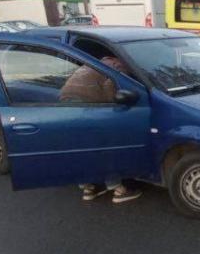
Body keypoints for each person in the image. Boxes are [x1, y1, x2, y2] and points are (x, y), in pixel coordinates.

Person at [59, 56, 142, 204]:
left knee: (84, 148)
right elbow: (111, 87)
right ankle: (118, 189)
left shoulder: (96, 62)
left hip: (65, 102)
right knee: (103, 148)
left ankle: (89, 188)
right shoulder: (120, 66)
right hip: (86, 105)